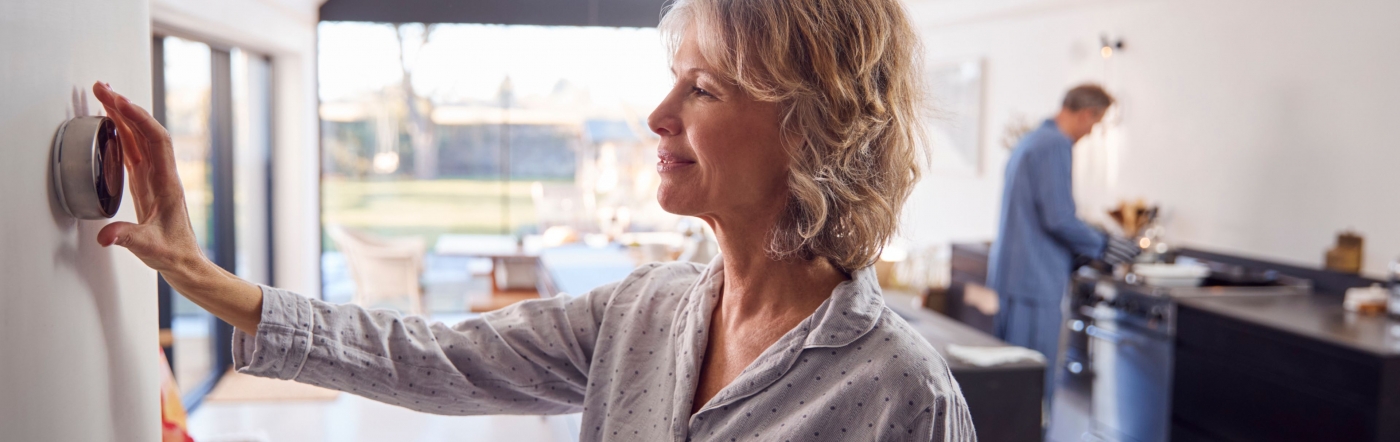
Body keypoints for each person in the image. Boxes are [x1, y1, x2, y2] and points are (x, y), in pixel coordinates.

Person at [90, 0, 976, 439]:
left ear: (810, 128)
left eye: (702, 89)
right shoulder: (643, 311)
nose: (658, 115)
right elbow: (431, 357)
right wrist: (207, 282)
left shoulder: (902, 392)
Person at [986, 84, 1138, 407]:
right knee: (1031, 389)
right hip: (1034, 281)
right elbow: (1059, 217)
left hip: (1014, 276)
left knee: (1011, 382)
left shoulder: (1031, 140)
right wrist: (1106, 245)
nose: (1091, 132)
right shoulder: (1055, 144)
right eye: (1095, 125)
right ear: (1086, 115)